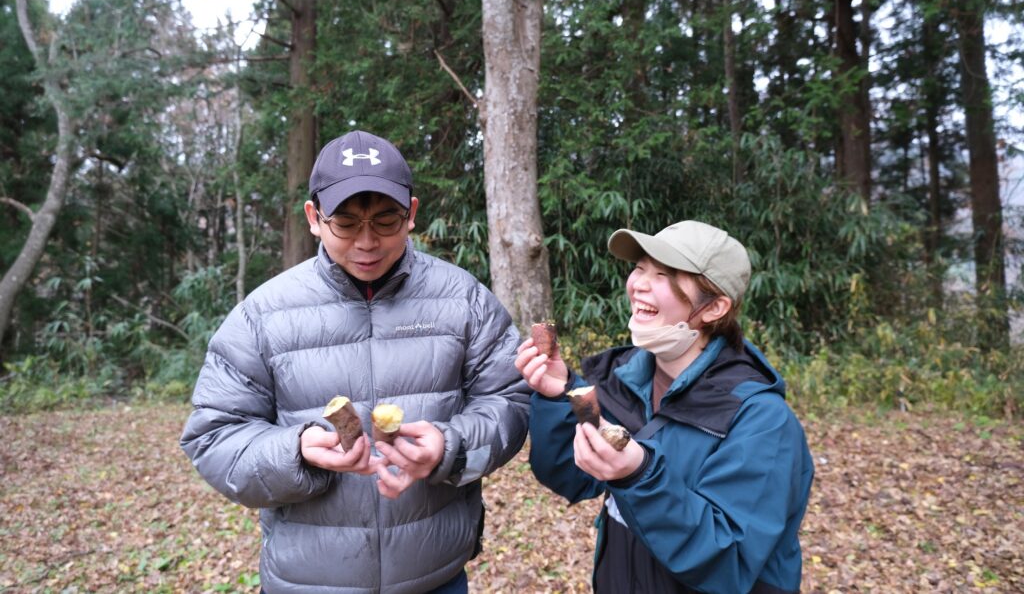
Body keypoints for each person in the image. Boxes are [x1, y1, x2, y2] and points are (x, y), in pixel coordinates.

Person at [181, 129, 530, 594]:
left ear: (412, 215)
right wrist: (296, 452)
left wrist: (453, 448)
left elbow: (510, 402)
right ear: (314, 217)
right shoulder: (262, 315)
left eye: (386, 221)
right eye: (346, 223)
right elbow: (213, 436)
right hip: (306, 582)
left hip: (435, 577)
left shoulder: (464, 300)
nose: (367, 242)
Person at [515, 220, 814, 594]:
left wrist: (639, 476)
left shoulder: (762, 422)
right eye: (640, 268)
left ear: (715, 306)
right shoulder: (624, 383)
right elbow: (570, 476)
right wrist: (559, 395)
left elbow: (729, 559)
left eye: (664, 274)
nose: (639, 283)